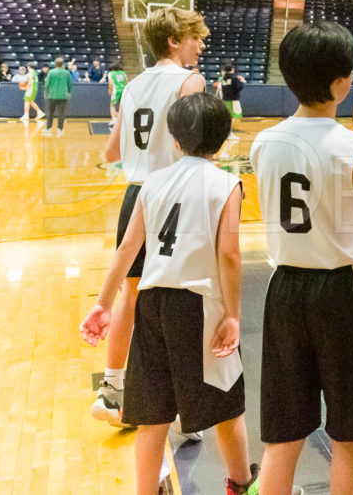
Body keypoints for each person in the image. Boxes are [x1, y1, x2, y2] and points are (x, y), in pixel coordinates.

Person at [79, 93, 259, 495]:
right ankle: (242, 485)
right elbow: (228, 254)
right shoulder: (227, 183)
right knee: (227, 403)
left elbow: (127, 248)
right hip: (197, 303)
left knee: (154, 414)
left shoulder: (154, 181)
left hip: (152, 302)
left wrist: (103, 304)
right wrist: (232, 313)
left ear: (174, 139)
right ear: (224, 137)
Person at [249, 21, 353, 495]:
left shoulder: (262, 143)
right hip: (341, 293)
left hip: (285, 288)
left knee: (284, 434)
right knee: (350, 432)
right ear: (340, 83)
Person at [91, 8, 208, 429]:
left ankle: (112, 388)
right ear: (175, 40)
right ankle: (178, 408)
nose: (201, 44)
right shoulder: (190, 82)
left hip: (136, 195)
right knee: (180, 301)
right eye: (195, 37)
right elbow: (194, 144)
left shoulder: (133, 84)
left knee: (132, 296)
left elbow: (112, 152)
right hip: (173, 198)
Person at [44, 57, 73, 137]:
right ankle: (60, 129)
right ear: (62, 64)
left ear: (55, 64)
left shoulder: (51, 72)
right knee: (61, 113)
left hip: (52, 95)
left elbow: (47, 84)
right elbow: (69, 84)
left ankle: (48, 128)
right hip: (63, 95)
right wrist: (69, 93)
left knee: (50, 112)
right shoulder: (66, 73)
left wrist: (46, 92)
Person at [218, 63, 246, 139]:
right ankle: (228, 133)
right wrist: (242, 82)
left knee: (229, 116)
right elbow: (239, 88)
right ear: (232, 70)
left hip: (225, 100)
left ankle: (228, 133)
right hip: (233, 101)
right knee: (235, 116)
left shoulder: (223, 79)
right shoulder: (234, 78)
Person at [107, 60, 128, 127]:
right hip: (124, 90)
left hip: (116, 91)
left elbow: (110, 83)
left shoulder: (111, 73)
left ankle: (114, 120)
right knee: (121, 106)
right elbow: (127, 82)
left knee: (112, 105)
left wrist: (110, 90)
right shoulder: (123, 73)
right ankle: (121, 120)